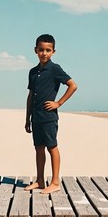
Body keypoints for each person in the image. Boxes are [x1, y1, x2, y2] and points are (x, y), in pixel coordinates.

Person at [24, 34, 77, 194]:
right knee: (38, 148)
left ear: (53, 51)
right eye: (41, 50)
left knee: (51, 147)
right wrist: (27, 118)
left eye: (48, 50)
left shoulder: (55, 69)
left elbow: (73, 86)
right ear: (35, 50)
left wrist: (58, 103)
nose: (44, 53)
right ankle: (40, 180)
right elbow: (31, 95)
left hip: (48, 117)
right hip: (36, 117)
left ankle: (55, 182)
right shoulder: (33, 72)